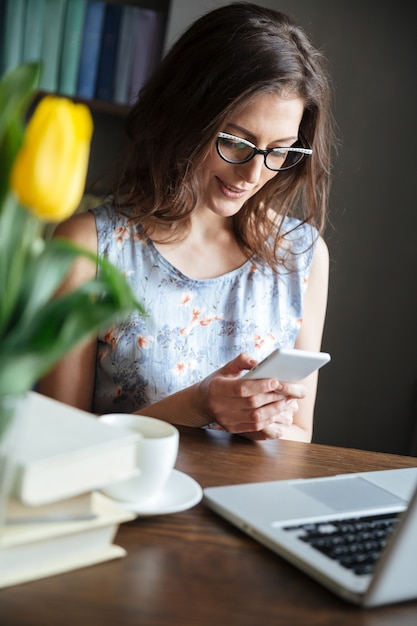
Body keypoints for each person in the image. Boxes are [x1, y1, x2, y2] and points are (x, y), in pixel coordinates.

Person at [39, 2, 335, 442]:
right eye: (236, 142)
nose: (254, 174)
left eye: (280, 150)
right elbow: (56, 442)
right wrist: (200, 404)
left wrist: (261, 421)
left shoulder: (300, 255)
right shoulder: (90, 248)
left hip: (244, 506)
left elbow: (299, 439)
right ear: (186, 114)